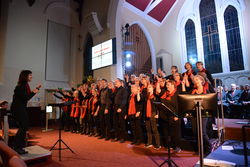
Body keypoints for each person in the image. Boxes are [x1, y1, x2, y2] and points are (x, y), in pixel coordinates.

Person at [11, 70, 41, 154]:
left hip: (20, 108)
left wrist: (36, 89)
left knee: (23, 127)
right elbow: (26, 98)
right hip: (18, 108)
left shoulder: (24, 85)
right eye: (30, 75)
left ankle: (18, 146)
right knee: (23, 127)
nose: (31, 77)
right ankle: (17, 147)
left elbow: (26, 96)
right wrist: (35, 91)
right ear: (25, 76)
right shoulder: (21, 86)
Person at [145, 84, 161, 149]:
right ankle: (149, 143)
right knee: (148, 129)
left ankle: (158, 144)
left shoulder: (155, 96)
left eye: (150, 87)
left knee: (154, 129)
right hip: (147, 113)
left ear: (153, 88)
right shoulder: (146, 96)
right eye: (148, 87)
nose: (148, 88)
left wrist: (158, 113)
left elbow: (158, 106)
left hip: (153, 113)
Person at [112, 79, 128, 143]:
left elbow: (124, 100)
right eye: (115, 82)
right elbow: (112, 97)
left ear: (121, 83)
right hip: (115, 108)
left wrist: (121, 108)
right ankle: (117, 137)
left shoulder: (124, 90)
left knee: (122, 124)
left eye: (116, 82)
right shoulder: (116, 90)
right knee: (115, 123)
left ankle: (123, 138)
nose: (115, 83)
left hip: (121, 109)